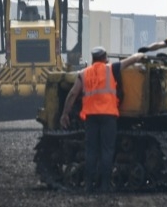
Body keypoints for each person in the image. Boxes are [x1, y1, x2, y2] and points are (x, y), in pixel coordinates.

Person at [59, 46, 145, 193]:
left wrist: (65, 114)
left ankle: (88, 186)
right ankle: (105, 186)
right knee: (107, 150)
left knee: (91, 151)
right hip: (108, 117)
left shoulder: (84, 73)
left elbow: (73, 94)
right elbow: (132, 60)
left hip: (91, 117)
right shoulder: (111, 69)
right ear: (105, 58)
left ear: (93, 59)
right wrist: (141, 54)